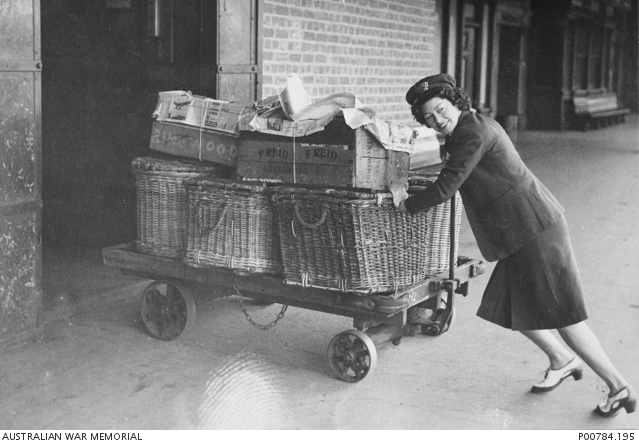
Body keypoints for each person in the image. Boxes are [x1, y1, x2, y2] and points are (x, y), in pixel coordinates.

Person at [390, 73, 636, 417]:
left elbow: (447, 187)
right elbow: (455, 173)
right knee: (515, 305)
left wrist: (404, 202)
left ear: (455, 102)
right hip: (524, 229)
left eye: (441, 110)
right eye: (428, 117)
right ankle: (561, 359)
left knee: (564, 317)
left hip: (534, 229)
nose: (437, 120)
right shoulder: (468, 127)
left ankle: (619, 386)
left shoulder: (471, 133)